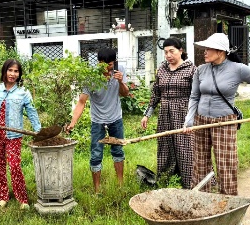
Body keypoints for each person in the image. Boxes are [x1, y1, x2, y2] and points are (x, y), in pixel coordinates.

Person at [184, 33, 250, 195]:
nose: (204, 52)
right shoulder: (201, 70)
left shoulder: (238, 69)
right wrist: (189, 120)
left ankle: (228, 203)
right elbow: (194, 97)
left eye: (208, 49)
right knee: (200, 163)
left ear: (221, 51)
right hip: (201, 120)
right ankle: (200, 200)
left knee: (225, 163)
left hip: (224, 122)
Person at [0, 59, 41, 209]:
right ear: (4, 71)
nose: (12, 74)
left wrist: (39, 131)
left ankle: (22, 199)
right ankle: (3, 196)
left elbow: (32, 112)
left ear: (19, 74)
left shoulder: (23, 92)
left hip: (13, 136)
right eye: (10, 70)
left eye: (16, 71)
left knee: (14, 166)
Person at [66, 48, 129, 194]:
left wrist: (120, 81)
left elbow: (125, 93)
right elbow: (82, 102)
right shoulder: (91, 77)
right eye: (104, 64)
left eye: (111, 64)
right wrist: (73, 122)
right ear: (99, 62)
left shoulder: (120, 70)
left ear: (114, 62)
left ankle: (120, 185)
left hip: (116, 119)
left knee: (118, 150)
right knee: (96, 154)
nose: (108, 68)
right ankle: (97, 190)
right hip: (98, 121)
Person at [141, 38, 197, 188]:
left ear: (181, 51)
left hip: (184, 113)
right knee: (165, 147)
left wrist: (193, 117)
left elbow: (197, 95)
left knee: (185, 148)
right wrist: (147, 114)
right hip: (165, 114)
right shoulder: (162, 69)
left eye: (172, 51)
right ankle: (166, 181)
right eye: (165, 52)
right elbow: (156, 94)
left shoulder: (191, 69)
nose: (168, 55)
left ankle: (190, 183)